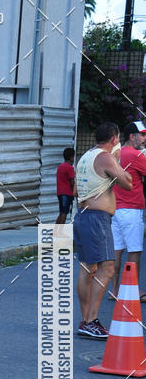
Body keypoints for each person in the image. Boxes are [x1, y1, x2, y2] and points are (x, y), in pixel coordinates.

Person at [73, 122, 132, 339]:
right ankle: (91, 320)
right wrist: (117, 160)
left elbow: (75, 189)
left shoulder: (85, 157)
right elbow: (128, 183)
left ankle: (86, 320)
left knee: (88, 269)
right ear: (115, 139)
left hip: (82, 216)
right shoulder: (107, 158)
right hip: (97, 219)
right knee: (107, 268)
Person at [108, 120, 146, 302]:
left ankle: (114, 290)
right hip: (132, 209)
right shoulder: (136, 155)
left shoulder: (114, 153)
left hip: (115, 208)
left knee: (117, 250)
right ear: (133, 136)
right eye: (143, 135)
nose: (145, 138)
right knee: (135, 250)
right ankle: (133, 291)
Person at [55, 147, 75, 225]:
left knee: (61, 212)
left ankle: (56, 231)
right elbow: (72, 182)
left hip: (60, 193)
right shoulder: (70, 168)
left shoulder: (60, 167)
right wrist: (75, 192)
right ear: (71, 157)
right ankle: (60, 232)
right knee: (64, 213)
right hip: (66, 193)